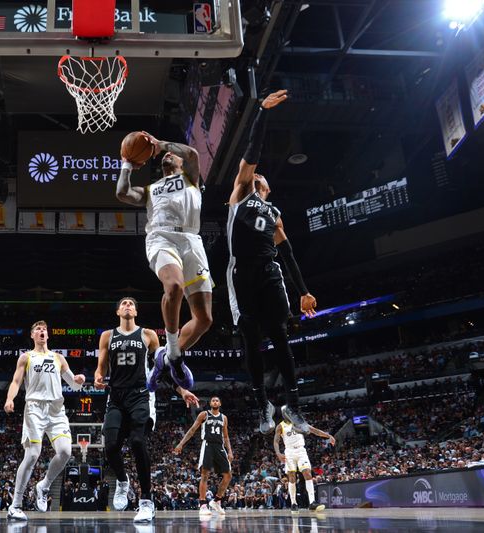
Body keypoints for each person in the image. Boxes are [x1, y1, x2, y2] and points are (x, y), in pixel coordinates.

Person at [226, 89, 317, 434]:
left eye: (260, 175)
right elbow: (253, 150)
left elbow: (289, 253)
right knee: (251, 338)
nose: (256, 172)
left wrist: (304, 291)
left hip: (269, 272)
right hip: (241, 273)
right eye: (254, 172)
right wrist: (262, 112)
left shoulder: (275, 215)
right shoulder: (240, 193)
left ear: (268, 186)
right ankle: (263, 403)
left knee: (279, 335)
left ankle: (293, 405)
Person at [116, 134, 214, 393]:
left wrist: (161, 145)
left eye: (173, 155)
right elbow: (122, 193)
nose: (169, 157)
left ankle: (164, 359)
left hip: (192, 241)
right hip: (161, 237)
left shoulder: (191, 177)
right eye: (165, 156)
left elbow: (192, 153)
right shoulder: (151, 189)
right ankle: (173, 352)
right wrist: (127, 163)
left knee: (204, 320)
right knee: (174, 287)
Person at [94, 297, 200, 523]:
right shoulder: (107, 336)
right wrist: (97, 378)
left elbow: (163, 367)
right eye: (123, 303)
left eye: (132, 303)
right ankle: (123, 481)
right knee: (110, 445)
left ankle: (146, 501)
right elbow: (101, 367)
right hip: (116, 396)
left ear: (136, 311)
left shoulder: (148, 335)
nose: (128, 305)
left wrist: (182, 391)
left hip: (141, 395)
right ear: (117, 311)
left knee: (138, 442)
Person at [4, 320, 85, 521]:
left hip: (56, 410)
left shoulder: (58, 358)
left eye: (44, 330)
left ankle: (44, 485)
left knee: (66, 452)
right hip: (34, 409)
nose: (42, 331)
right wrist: (10, 398)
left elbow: (73, 385)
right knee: (32, 455)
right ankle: (16, 505)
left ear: (47, 335)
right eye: (38, 329)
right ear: (32, 335)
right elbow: (16, 381)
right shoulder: (26, 357)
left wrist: (79, 380)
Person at [173, 396, 233, 517]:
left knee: (228, 475)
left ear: (220, 403)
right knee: (205, 475)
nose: (215, 401)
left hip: (220, 447)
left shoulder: (224, 418)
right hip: (208, 445)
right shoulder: (204, 414)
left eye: (217, 400)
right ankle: (202, 504)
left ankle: (216, 501)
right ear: (210, 403)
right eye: (213, 400)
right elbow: (192, 430)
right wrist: (180, 444)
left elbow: (226, 436)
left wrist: (230, 451)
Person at [273, 419, 334, 512]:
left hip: (301, 451)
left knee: (307, 474)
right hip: (289, 452)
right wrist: (278, 453)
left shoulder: (299, 422)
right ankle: (293, 503)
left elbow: (314, 430)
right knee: (292, 477)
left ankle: (312, 502)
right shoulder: (280, 426)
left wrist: (328, 436)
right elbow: (276, 441)